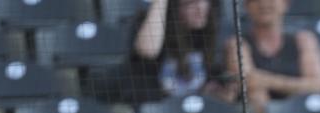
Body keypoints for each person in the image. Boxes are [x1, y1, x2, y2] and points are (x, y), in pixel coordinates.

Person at [89, 0, 231, 105]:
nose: (201, 9)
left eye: (204, 1)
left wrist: (212, 93)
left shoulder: (206, 35)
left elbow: (207, 80)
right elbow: (147, 50)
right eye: (191, 3)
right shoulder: (151, 25)